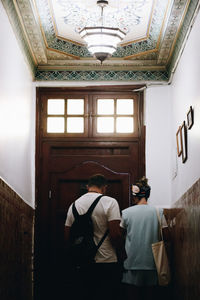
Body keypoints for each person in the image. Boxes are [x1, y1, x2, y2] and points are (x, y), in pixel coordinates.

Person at [64, 174, 122, 300]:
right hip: (106, 259)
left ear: (87, 187)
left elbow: (67, 236)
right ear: (104, 187)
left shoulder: (74, 205)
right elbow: (115, 234)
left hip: (82, 260)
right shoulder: (110, 202)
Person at [120, 177, 168, 300]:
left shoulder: (126, 213)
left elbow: (120, 235)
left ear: (135, 196)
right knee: (150, 295)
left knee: (132, 295)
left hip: (131, 262)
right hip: (153, 263)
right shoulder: (158, 212)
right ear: (147, 195)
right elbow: (167, 236)